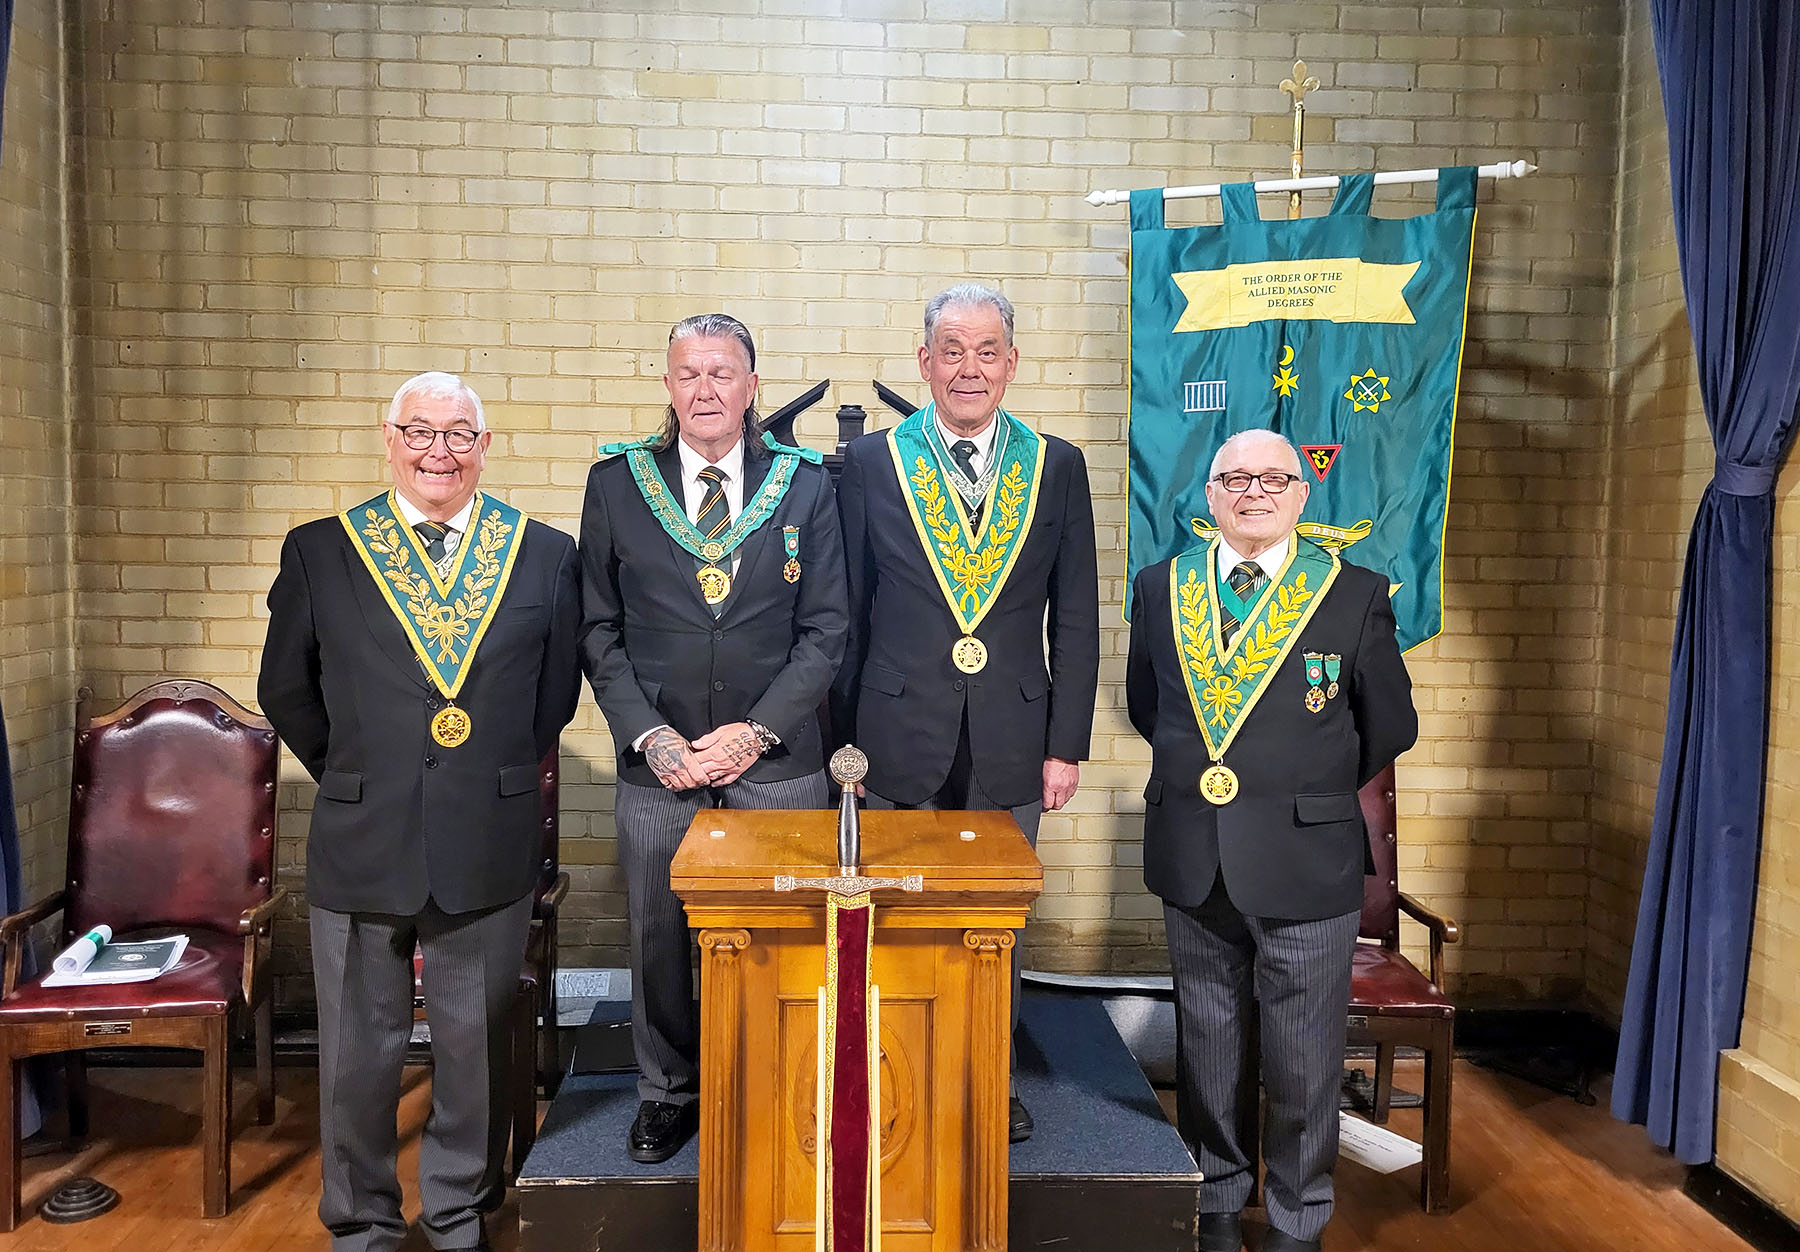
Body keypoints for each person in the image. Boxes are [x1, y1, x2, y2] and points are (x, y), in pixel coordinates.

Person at [259, 371, 582, 1252]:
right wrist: (357, 771)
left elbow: (551, 698)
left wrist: (481, 774)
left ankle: (455, 1216)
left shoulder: (545, 555)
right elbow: (285, 687)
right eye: (420, 431)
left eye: (459, 434)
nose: (439, 451)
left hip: (486, 834)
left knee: (472, 1054)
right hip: (363, 833)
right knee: (357, 1057)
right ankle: (361, 1222)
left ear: (485, 446)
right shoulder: (322, 551)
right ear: (389, 439)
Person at [1125, 429, 1418, 1252]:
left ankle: (1297, 1213)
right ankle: (1218, 1198)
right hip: (1195, 849)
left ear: (1301, 494)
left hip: (1305, 854)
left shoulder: (1354, 593)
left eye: (1273, 479)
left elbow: (1389, 724)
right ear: (1210, 496)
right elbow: (1149, 704)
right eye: (1235, 479)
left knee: (1304, 1055)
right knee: (1208, 1043)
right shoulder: (1161, 586)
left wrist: (1304, 786)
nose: (1253, 492)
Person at [831, 282, 1099, 1142]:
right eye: (952, 350)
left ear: (1012, 364)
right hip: (893, 735)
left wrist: (1066, 746)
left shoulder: (1056, 465)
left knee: (994, 925)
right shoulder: (873, 462)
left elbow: (1077, 616)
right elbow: (847, 613)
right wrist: (843, 747)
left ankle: (988, 1078)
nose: (969, 368)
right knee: (896, 921)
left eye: (987, 351)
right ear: (925, 362)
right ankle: (898, 1080)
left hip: (1015, 736)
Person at [578, 312, 848, 1164]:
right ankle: (667, 1091)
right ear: (668, 384)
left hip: (777, 765)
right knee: (658, 937)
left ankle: (776, 1083)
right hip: (659, 766)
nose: (705, 389)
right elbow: (597, 630)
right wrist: (652, 738)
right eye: (689, 373)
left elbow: (827, 631)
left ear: (752, 386)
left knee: (782, 937)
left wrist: (757, 732)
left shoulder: (805, 486)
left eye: (722, 373)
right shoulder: (616, 484)